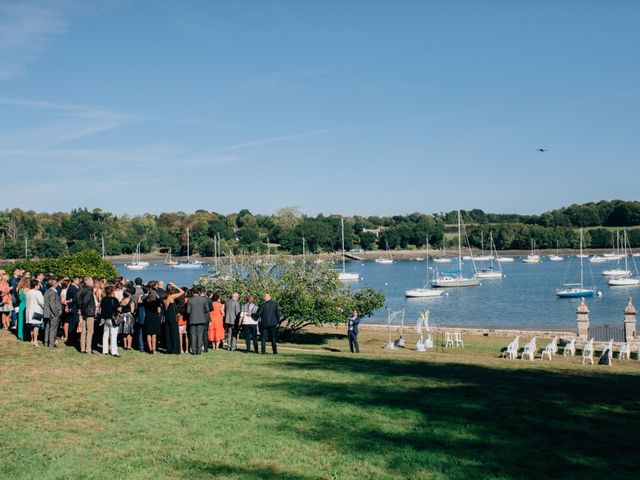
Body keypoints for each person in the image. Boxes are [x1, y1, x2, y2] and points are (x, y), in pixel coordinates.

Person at [186, 288, 210, 355]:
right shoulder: (204, 299)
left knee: (193, 335)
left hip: (192, 319)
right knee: (200, 335)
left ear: (192, 293)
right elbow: (207, 310)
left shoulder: (190, 299)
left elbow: (188, 311)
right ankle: (199, 351)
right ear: (198, 292)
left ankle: (194, 351)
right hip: (201, 319)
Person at [99, 285, 121, 356]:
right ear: (112, 292)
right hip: (113, 319)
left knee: (105, 334)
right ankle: (114, 351)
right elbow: (119, 309)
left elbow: (101, 308)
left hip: (105, 318)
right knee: (113, 335)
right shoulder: (114, 300)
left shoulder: (104, 299)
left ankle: (104, 350)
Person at [163, 283, 184, 355]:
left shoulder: (164, 297)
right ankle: (175, 349)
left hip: (166, 315)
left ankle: (168, 348)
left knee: (168, 332)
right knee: (174, 332)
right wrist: (176, 285)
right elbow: (182, 292)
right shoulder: (171, 297)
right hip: (172, 315)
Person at [77, 277, 96, 354]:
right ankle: (88, 349)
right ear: (88, 282)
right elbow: (86, 301)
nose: (93, 282)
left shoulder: (80, 289)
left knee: (83, 331)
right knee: (90, 331)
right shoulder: (88, 290)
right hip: (88, 312)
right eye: (92, 281)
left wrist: (80, 309)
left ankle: (82, 348)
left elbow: (79, 300)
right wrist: (83, 311)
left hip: (83, 311)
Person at [143, 282, 162, 354]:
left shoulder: (145, 300)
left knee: (148, 333)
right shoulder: (157, 301)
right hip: (155, 316)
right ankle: (154, 349)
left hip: (148, 316)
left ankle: (150, 348)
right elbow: (159, 310)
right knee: (154, 334)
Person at [43, 278, 63, 348]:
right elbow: (52, 304)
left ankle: (46, 343)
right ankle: (51, 344)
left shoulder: (47, 291)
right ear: (53, 284)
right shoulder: (52, 292)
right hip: (53, 314)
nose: (57, 283)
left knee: (47, 328)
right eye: (56, 282)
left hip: (47, 313)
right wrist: (56, 313)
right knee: (53, 329)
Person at [25, 279, 45, 347]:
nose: (39, 286)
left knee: (31, 326)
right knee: (36, 326)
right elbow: (42, 302)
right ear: (36, 285)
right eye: (39, 284)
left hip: (29, 311)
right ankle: (35, 341)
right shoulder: (38, 292)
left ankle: (32, 340)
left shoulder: (28, 292)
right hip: (37, 311)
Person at [65, 277, 80, 346]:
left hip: (73, 308)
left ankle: (72, 338)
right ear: (74, 280)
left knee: (73, 324)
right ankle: (71, 339)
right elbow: (75, 299)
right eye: (78, 280)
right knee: (73, 324)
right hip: (74, 308)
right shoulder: (73, 288)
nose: (79, 281)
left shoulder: (73, 287)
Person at [16, 276, 30, 341]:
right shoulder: (27, 289)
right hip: (26, 306)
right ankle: (24, 335)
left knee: (20, 321)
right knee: (25, 321)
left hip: (21, 305)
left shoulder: (19, 289)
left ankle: (19, 335)